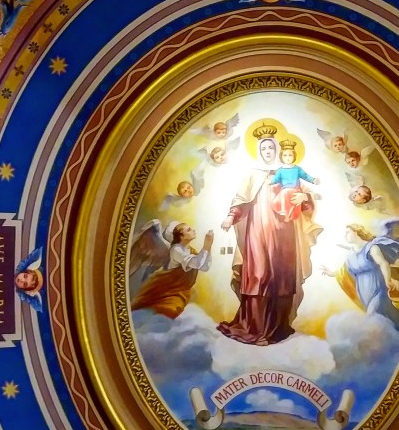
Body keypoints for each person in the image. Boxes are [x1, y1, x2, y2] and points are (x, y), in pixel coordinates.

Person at [218, 123, 321, 345]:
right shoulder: (252, 175)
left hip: (285, 232)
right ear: (258, 150)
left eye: (271, 148)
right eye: (264, 148)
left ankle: (277, 328)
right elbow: (241, 199)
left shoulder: (289, 172)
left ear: (277, 150)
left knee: (282, 277)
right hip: (258, 231)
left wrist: (304, 198)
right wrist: (230, 216)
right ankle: (256, 330)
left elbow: (306, 200)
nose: (267, 151)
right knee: (259, 274)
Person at [322, 224, 399, 330]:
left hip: (379, 291)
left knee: (372, 316)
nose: (345, 236)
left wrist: (388, 280)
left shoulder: (371, 248)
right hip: (365, 296)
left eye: (348, 232)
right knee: (387, 318)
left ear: (356, 232)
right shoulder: (350, 255)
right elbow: (344, 271)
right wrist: (332, 273)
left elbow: (383, 263)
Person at [130, 221, 213, 319]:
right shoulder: (176, 250)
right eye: (188, 230)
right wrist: (206, 246)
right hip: (166, 292)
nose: (193, 230)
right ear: (181, 236)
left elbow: (204, 267)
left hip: (180, 293)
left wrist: (208, 248)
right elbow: (197, 263)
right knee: (169, 312)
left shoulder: (191, 251)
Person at [270, 140, 320, 222]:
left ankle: (286, 212)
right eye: (285, 155)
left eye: (290, 155)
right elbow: (275, 179)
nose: (287, 158)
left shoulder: (297, 169)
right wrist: (270, 181)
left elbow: (305, 176)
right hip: (284, 192)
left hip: (295, 190)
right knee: (276, 201)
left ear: (294, 156)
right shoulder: (280, 170)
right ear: (281, 157)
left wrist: (313, 180)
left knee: (286, 194)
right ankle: (286, 214)